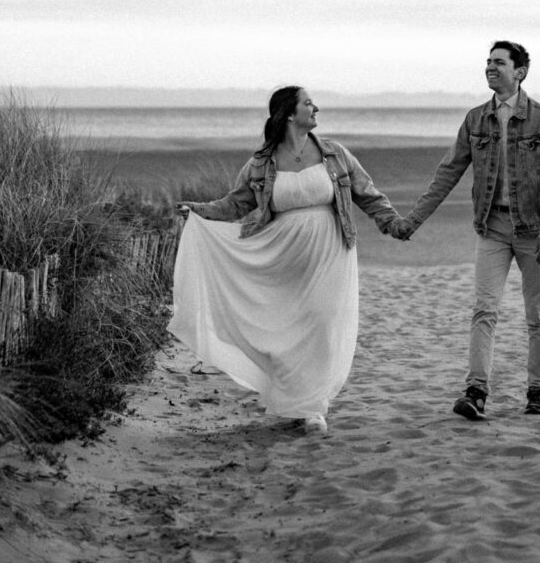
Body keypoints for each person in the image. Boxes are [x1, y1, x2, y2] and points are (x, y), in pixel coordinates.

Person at [168, 85, 402, 436]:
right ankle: (294, 397)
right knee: (288, 327)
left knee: (322, 322)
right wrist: (200, 211)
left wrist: (393, 223)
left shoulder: (335, 154)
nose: (316, 107)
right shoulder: (261, 163)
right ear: (290, 114)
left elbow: (367, 193)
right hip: (282, 255)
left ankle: (312, 408)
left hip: (331, 251)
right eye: (308, 103)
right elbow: (236, 203)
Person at [392, 41, 540, 420]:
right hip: (492, 228)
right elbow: (447, 174)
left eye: (499, 62)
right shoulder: (475, 120)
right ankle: (476, 392)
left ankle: (538, 391)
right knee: (484, 310)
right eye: (488, 62)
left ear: (519, 72)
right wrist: (413, 221)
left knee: (538, 315)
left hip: (533, 230)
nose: (490, 67)